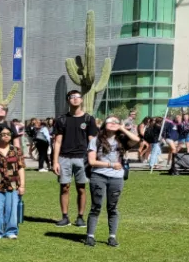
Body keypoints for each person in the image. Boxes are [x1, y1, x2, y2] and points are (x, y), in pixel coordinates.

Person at [85, 115, 139, 248]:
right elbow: (92, 161)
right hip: (99, 176)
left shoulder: (122, 140)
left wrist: (122, 128)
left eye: (116, 122)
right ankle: (90, 236)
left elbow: (136, 139)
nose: (113, 123)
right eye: (110, 121)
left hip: (116, 178)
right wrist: (110, 165)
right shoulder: (96, 140)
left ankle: (112, 237)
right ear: (104, 124)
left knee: (112, 207)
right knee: (96, 207)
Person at [52, 91, 98, 227]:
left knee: (81, 188)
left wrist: (93, 159)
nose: (75, 99)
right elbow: (58, 142)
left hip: (82, 158)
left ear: (82, 100)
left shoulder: (89, 119)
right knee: (64, 187)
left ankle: (80, 217)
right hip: (64, 158)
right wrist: (55, 161)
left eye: (77, 97)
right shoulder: (61, 119)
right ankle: (65, 217)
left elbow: (93, 141)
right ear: (68, 101)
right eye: (72, 97)